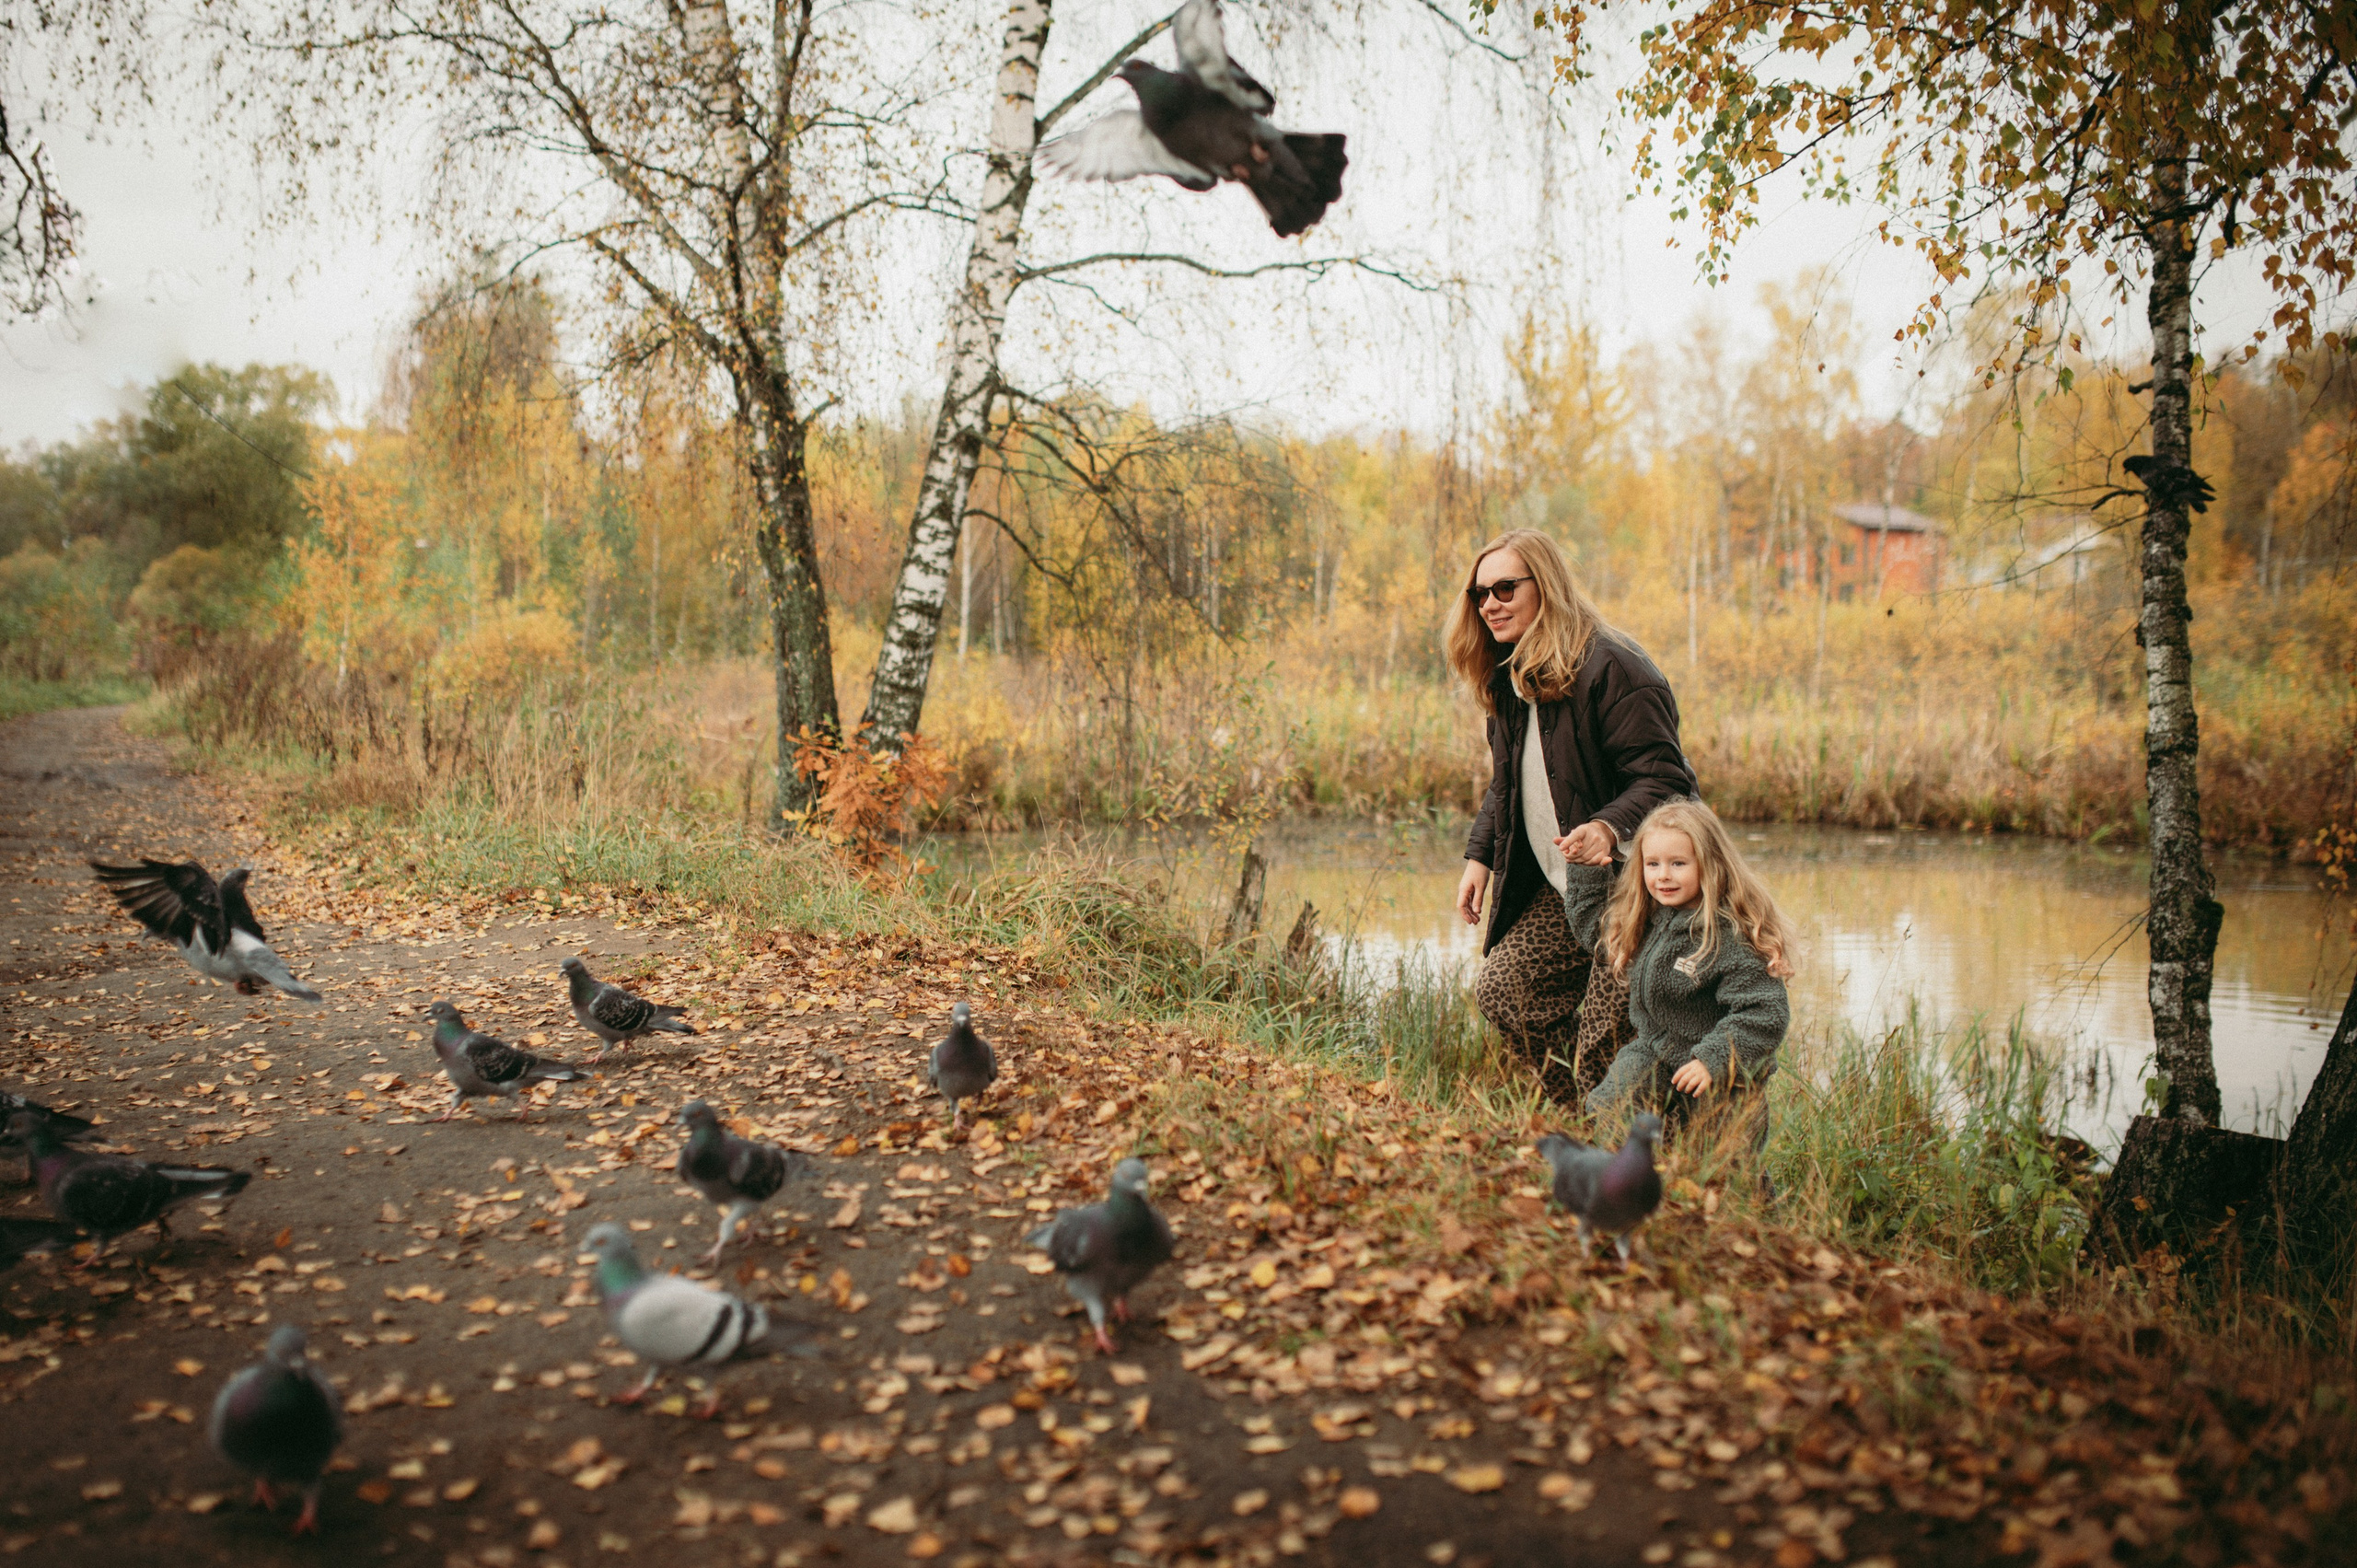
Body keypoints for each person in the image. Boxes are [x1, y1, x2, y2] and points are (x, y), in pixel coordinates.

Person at [1451, 528, 1696, 1106]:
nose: (1490, 604)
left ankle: (1640, 1157)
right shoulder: (1512, 678)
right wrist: (1479, 855)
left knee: (1603, 1046)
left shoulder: (1616, 669)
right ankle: (1586, 1128)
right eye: (1478, 594)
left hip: (1637, 893)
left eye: (1506, 588)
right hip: (1567, 893)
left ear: (1548, 587)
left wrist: (1609, 826)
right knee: (1506, 991)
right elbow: (1508, 783)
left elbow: (1668, 783)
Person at [1562, 797, 1795, 1148]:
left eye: (1678, 863)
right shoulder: (1647, 917)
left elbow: (1765, 1012)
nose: (1663, 875)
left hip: (1726, 1072)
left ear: (1711, 865)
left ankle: (1747, 1201)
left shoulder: (1728, 935)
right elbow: (1595, 930)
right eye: (1652, 864)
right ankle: (1619, 1182)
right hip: (1656, 1051)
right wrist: (1586, 870)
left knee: (1726, 1163)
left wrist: (1713, 1059)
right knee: (1611, 1106)